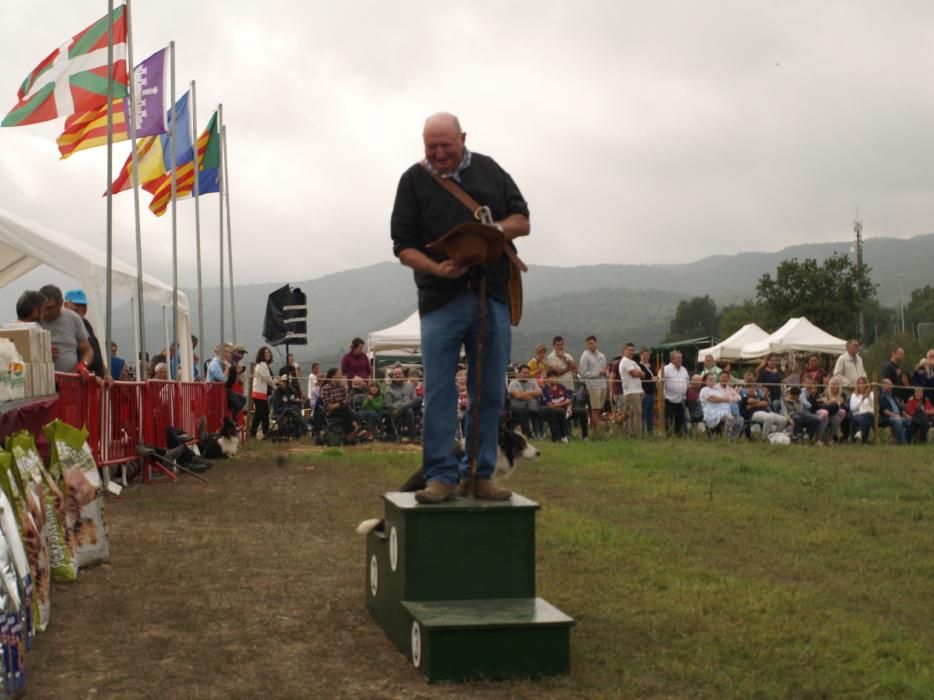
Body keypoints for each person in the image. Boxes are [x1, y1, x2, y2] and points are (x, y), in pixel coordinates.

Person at [390, 111, 529, 503]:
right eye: (430, 146)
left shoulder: (490, 171)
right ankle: (440, 477)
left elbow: (523, 219)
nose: (437, 153)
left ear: (462, 138)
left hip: (493, 295)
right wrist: (438, 266)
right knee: (438, 392)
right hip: (439, 300)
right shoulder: (412, 181)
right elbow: (402, 246)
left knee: (488, 392)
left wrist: (492, 231)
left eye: (445, 145)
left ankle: (478, 475)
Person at [38, 285, 94, 377]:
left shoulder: (73, 318)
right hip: (42, 381)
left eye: (50, 308)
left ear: (60, 303)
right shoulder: (35, 319)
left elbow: (88, 350)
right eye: (43, 308)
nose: (45, 312)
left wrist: (83, 365)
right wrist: (43, 354)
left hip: (70, 381)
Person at [62, 289, 112, 383]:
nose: (81, 308)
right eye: (77, 304)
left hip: (95, 386)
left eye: (83, 305)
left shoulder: (86, 324)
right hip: (80, 385)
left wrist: (106, 373)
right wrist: (91, 377)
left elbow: (96, 353)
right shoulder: (65, 326)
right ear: (65, 305)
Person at [578, 335, 608, 431]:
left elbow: (605, 369)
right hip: (593, 386)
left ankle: (596, 431)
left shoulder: (602, 355)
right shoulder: (585, 356)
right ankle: (599, 430)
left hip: (603, 384)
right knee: (595, 408)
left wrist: (605, 372)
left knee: (600, 408)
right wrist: (598, 373)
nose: (590, 345)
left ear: (596, 343)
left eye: (592, 343)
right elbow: (583, 374)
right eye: (588, 344)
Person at [699, 373, 742, 438]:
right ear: (705, 381)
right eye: (710, 379)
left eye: (713, 379)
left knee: (740, 420)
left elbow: (726, 398)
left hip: (723, 411)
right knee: (730, 419)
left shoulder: (716, 390)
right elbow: (712, 399)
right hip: (712, 413)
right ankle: (726, 437)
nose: (712, 380)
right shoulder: (704, 389)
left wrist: (723, 399)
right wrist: (723, 399)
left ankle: (733, 437)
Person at [508, 364, 543, 439]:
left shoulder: (532, 381)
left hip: (532, 406)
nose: (526, 375)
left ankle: (561, 437)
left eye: (527, 373)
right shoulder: (513, 383)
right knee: (524, 411)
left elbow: (540, 392)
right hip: (517, 406)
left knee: (555, 411)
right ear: (519, 373)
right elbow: (518, 396)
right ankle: (529, 435)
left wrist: (525, 394)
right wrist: (532, 396)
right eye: (524, 373)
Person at [250, 346, 277, 438]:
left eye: (269, 352)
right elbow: (267, 379)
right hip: (259, 393)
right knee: (260, 414)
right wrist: (275, 387)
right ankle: (255, 433)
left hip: (259, 393)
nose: (268, 354)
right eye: (266, 353)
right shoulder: (262, 365)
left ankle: (264, 432)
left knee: (264, 413)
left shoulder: (262, 365)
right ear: (262, 355)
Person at [662, 350, 690, 436]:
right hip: (669, 398)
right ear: (672, 359)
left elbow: (687, 381)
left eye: (681, 358)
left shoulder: (684, 369)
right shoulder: (666, 369)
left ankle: (677, 434)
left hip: (681, 399)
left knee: (679, 418)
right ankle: (667, 434)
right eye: (678, 358)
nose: (680, 360)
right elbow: (659, 381)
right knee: (668, 418)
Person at [618, 343, 644, 437]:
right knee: (637, 413)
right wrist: (639, 373)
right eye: (629, 350)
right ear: (624, 351)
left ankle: (632, 434)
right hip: (631, 391)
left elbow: (643, 374)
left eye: (632, 350)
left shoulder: (632, 362)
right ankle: (638, 434)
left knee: (633, 414)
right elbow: (634, 373)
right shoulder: (625, 361)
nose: (631, 352)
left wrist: (639, 373)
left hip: (638, 390)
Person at [815, 377, 848, 443]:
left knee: (837, 418)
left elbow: (842, 406)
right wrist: (830, 402)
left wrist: (834, 402)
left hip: (834, 415)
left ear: (838, 386)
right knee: (831, 413)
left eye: (835, 384)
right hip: (826, 413)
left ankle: (830, 438)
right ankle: (820, 438)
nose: (833, 386)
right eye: (832, 384)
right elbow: (821, 405)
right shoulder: (825, 394)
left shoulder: (842, 395)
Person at [541, 370, 571, 443]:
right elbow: (550, 406)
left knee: (583, 412)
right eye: (551, 377)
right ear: (547, 378)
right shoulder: (545, 389)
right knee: (559, 412)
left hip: (564, 410)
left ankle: (585, 436)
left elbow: (569, 401)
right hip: (549, 411)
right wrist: (564, 404)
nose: (553, 378)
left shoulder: (562, 387)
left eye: (555, 377)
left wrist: (569, 409)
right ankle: (562, 437)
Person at [878, 378, 911, 444]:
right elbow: (884, 410)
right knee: (898, 421)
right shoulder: (881, 396)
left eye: (891, 385)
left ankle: (907, 440)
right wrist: (895, 415)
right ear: (883, 386)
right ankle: (902, 443)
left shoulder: (892, 396)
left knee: (910, 421)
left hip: (897, 416)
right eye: (889, 385)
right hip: (886, 418)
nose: (892, 386)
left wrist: (906, 415)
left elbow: (899, 408)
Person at [849, 377, 874, 444]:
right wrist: (861, 399)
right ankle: (864, 440)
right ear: (857, 385)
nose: (861, 385)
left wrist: (868, 397)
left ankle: (860, 432)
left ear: (866, 384)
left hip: (870, 414)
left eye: (863, 383)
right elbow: (852, 408)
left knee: (867, 415)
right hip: (857, 415)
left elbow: (873, 406)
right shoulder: (854, 395)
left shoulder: (871, 394)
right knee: (866, 419)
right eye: (860, 383)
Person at [637, 347, 657, 434]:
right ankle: (641, 431)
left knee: (650, 413)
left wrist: (656, 378)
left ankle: (650, 431)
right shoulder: (639, 366)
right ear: (641, 356)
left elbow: (655, 375)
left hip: (652, 392)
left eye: (647, 355)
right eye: (644, 355)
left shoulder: (651, 365)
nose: (646, 357)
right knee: (643, 413)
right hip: (644, 392)